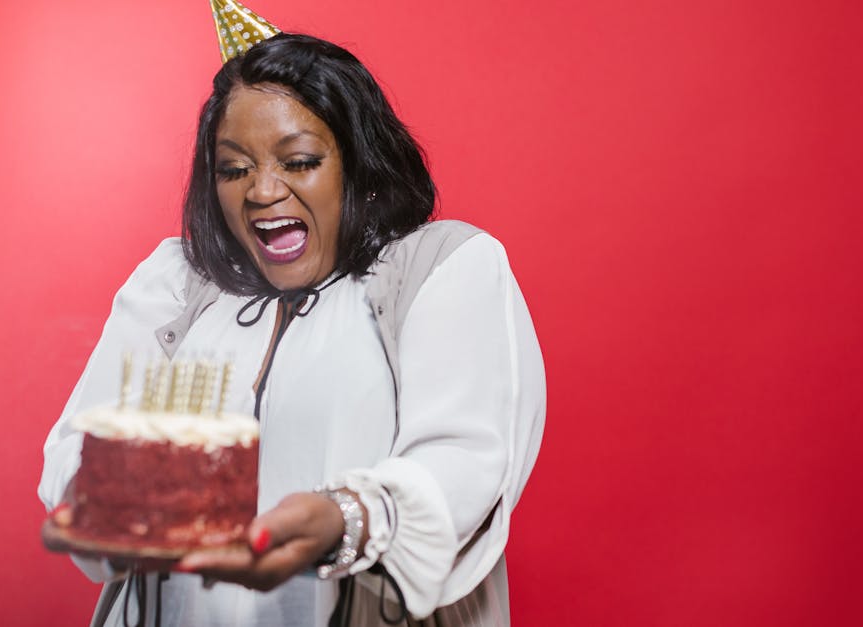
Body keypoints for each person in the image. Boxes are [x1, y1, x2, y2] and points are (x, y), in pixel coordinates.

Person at [38, 32, 545, 627]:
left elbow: (465, 463)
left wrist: (343, 518)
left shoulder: (440, 266)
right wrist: (107, 497)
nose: (263, 190)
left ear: (358, 162)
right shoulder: (176, 281)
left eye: (299, 161)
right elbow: (75, 451)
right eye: (234, 168)